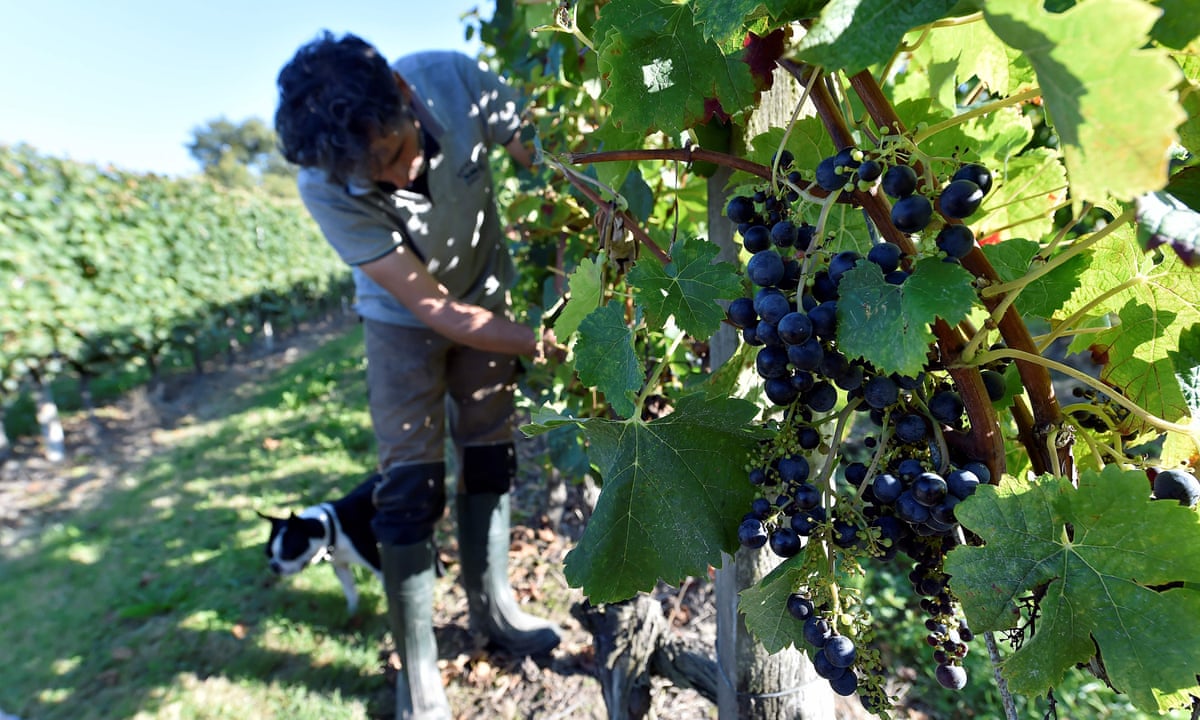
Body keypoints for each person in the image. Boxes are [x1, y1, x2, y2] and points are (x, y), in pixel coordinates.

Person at [273, 31, 561, 719]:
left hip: (487, 290)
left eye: (399, 154)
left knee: (490, 451)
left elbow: (553, 168)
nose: (399, 179)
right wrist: (548, 345)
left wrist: (568, 256)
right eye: (376, 178)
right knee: (408, 484)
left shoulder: (454, 80)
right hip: (400, 322)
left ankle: (495, 612)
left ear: (403, 95)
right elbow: (434, 309)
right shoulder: (324, 180)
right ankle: (421, 672)